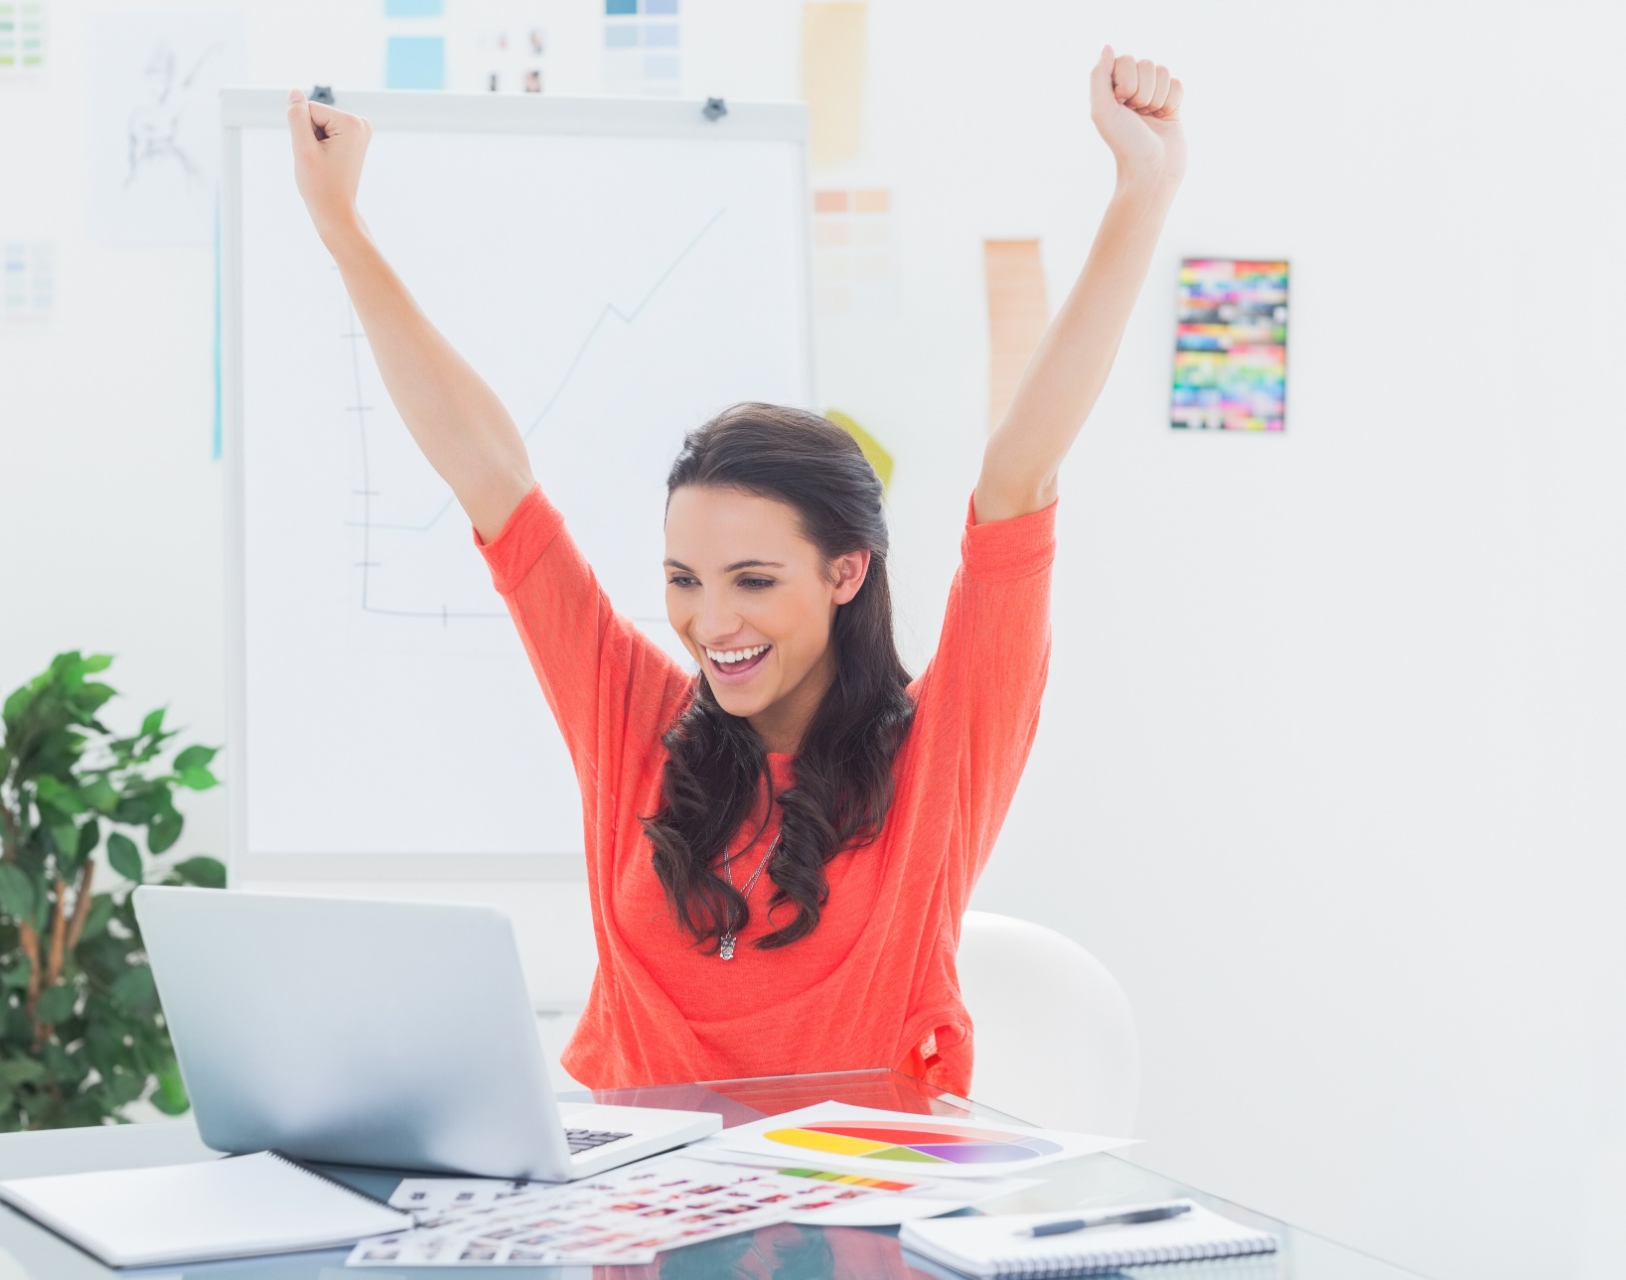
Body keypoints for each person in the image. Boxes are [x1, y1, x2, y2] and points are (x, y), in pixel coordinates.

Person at [284, 47, 1185, 1096]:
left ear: (846, 572)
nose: (712, 622)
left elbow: (1019, 472)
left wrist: (1142, 189)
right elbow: (490, 473)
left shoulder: (936, 765)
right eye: (685, 579)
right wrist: (342, 230)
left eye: (754, 579)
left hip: (853, 1234)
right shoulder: (637, 725)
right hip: (632, 1232)